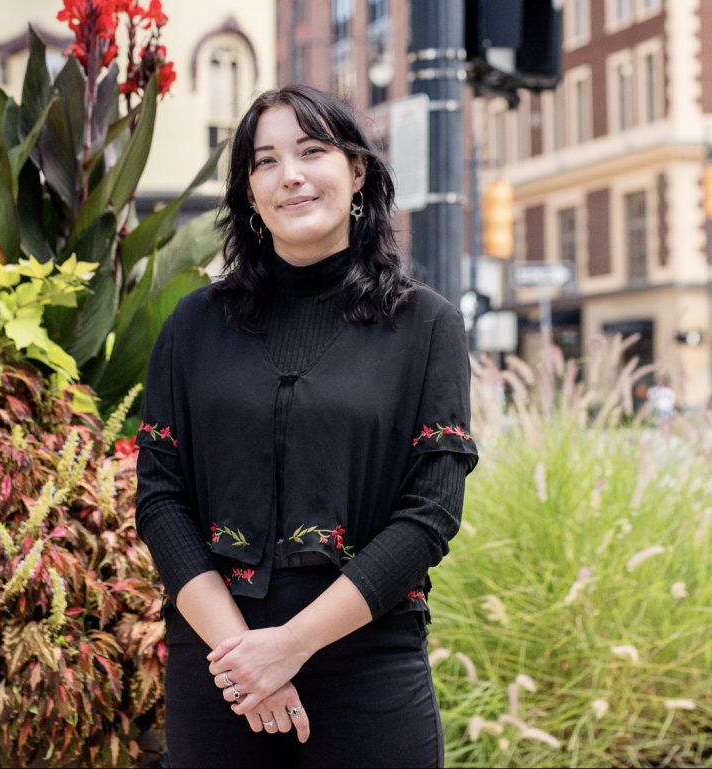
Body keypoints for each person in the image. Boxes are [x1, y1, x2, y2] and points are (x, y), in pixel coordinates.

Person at [134, 84, 478, 768]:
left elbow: (429, 513)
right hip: (219, 671)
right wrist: (244, 658)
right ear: (250, 192)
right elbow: (160, 499)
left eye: (311, 150)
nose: (289, 173)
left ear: (356, 172)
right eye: (265, 160)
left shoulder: (424, 326)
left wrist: (290, 644)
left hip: (368, 670)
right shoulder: (193, 326)